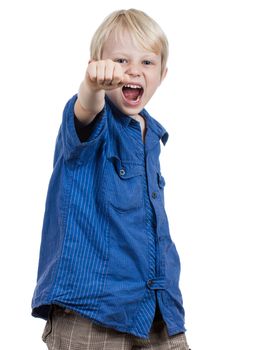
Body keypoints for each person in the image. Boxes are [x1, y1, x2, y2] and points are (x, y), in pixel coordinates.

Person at [31, 8, 191, 350]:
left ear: (163, 74)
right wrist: (91, 86)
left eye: (147, 63)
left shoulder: (151, 135)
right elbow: (86, 109)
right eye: (120, 60)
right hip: (93, 312)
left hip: (157, 310)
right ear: (98, 66)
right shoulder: (92, 119)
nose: (134, 70)